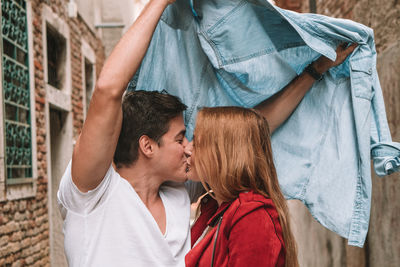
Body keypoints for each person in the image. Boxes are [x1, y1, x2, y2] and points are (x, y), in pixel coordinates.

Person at [56, 0, 356, 265]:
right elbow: (108, 90)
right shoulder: (92, 191)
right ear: (147, 146)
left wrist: (315, 71)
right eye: (180, 138)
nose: (189, 148)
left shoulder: (178, 189)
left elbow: (251, 131)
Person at [185, 107, 297, 267]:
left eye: (196, 142)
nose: (187, 149)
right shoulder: (215, 208)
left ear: (224, 151)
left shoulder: (252, 216)